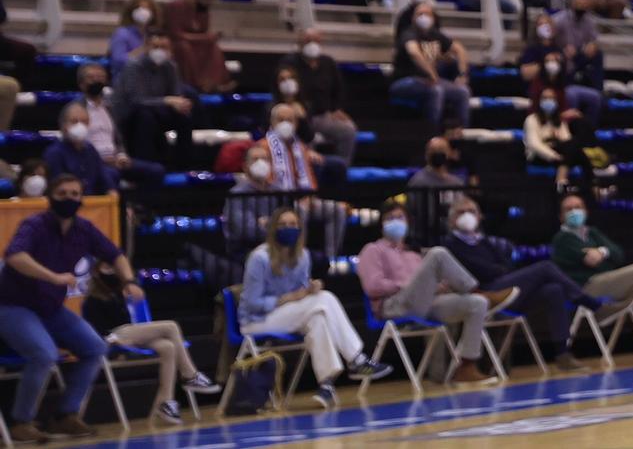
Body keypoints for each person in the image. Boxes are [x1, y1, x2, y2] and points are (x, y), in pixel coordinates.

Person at [0, 174, 133, 441]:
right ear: (50, 196)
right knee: (44, 353)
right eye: (63, 193)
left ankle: (65, 416)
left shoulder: (83, 229)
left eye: (75, 194)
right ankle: (20, 422)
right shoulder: (34, 225)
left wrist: (128, 281)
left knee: (95, 347)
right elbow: (15, 257)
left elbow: (115, 255)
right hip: (12, 305)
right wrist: (54, 277)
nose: (69, 199)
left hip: (50, 307)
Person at [240, 206, 391, 408]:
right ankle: (356, 359)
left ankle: (326, 384)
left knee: (318, 315)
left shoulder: (303, 256)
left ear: (300, 228)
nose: (288, 228)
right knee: (324, 301)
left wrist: (310, 288)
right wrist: (291, 297)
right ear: (273, 229)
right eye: (283, 225)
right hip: (255, 321)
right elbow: (252, 303)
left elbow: (303, 293)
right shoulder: (259, 258)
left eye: (292, 224)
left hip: (292, 315)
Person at [355, 204, 512, 386]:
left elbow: (425, 284)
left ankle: (467, 366)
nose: (396, 222)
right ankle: (476, 289)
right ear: (381, 224)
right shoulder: (373, 250)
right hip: (394, 306)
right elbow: (372, 286)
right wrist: (406, 285)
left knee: (477, 303)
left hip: (425, 303)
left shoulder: (412, 254)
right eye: (390, 218)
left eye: (400, 218)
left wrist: (438, 287)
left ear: (408, 223)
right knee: (437, 253)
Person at [443, 197, 599, 371]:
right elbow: (480, 272)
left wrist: (498, 270)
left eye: (471, 212)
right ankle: (588, 301)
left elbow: (504, 265)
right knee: (545, 267)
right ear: (452, 220)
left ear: (480, 217)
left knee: (553, 290)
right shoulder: (450, 245)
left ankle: (563, 353)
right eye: (461, 212)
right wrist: (497, 270)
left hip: (505, 289)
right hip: (484, 294)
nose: (467, 216)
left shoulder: (484, 241)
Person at [80, 259, 218, 425]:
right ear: (96, 271)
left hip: (130, 334)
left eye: (113, 267)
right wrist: (116, 341)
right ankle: (190, 375)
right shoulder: (91, 301)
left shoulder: (121, 293)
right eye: (106, 267)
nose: (112, 272)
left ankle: (165, 402)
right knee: (171, 327)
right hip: (112, 339)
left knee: (168, 346)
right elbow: (96, 333)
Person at [551, 194, 633, 361]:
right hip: (587, 289)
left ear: (586, 211)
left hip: (609, 283)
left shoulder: (593, 233)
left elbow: (618, 254)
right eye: (569, 209)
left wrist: (602, 251)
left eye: (578, 207)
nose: (575, 211)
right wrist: (604, 253)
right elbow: (590, 260)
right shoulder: (561, 239)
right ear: (561, 216)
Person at [262, 102, 348, 259]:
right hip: (276, 203)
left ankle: (330, 260)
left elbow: (310, 181)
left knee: (337, 210)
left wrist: (308, 198)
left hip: (302, 199)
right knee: (298, 211)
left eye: (289, 120)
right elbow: (264, 183)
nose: (285, 124)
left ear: (295, 124)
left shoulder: (300, 148)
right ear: (272, 122)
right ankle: (299, 258)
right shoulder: (263, 147)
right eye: (280, 120)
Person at [109, 30, 194, 168]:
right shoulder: (133, 66)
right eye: (155, 47)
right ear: (146, 47)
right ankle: (146, 164)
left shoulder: (170, 66)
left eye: (164, 47)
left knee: (184, 116)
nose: (159, 51)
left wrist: (180, 104)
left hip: (157, 111)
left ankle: (183, 166)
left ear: (170, 50)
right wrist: (167, 101)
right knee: (145, 116)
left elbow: (175, 95)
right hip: (130, 114)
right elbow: (136, 101)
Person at [76, 62, 161, 193]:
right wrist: (103, 160)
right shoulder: (75, 109)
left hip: (116, 159)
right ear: (81, 83)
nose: (96, 80)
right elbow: (76, 144)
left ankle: (139, 207)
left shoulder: (111, 107)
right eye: (91, 77)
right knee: (110, 175)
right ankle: (119, 211)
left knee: (156, 171)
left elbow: (118, 139)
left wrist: (121, 155)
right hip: (93, 162)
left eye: (100, 77)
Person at [391, 0, 473, 129]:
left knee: (463, 91)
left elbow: (460, 50)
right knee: (436, 90)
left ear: (433, 18)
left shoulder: (435, 35)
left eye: (427, 14)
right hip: (405, 80)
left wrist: (462, 75)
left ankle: (461, 132)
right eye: (420, 14)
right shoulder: (409, 33)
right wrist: (432, 73)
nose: (423, 17)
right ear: (413, 18)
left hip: (431, 81)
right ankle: (431, 132)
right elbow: (413, 52)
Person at [283, 28, 359, 164]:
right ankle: (307, 170)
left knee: (349, 130)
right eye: (308, 41)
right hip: (301, 116)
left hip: (323, 115)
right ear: (300, 43)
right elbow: (283, 87)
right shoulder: (289, 63)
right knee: (306, 134)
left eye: (315, 41)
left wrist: (336, 109)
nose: (312, 44)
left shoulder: (328, 63)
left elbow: (338, 88)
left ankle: (341, 167)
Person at [164, 0, 230, 94]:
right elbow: (176, 33)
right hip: (178, 40)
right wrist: (202, 38)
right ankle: (194, 84)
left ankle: (214, 83)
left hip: (197, 41)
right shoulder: (176, 6)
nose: (209, 3)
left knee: (213, 47)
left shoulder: (203, 9)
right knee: (184, 48)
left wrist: (210, 37)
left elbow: (204, 30)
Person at [41, 102, 118, 195]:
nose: (80, 126)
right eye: (74, 121)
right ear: (63, 125)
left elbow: (103, 178)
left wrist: (111, 191)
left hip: (93, 204)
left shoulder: (90, 150)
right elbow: (57, 188)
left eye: (84, 122)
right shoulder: (54, 153)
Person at [107, 0, 154, 74]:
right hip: (125, 82)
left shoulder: (153, 34)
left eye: (147, 8)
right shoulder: (122, 33)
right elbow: (118, 62)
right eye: (139, 8)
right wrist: (143, 50)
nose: (143, 11)